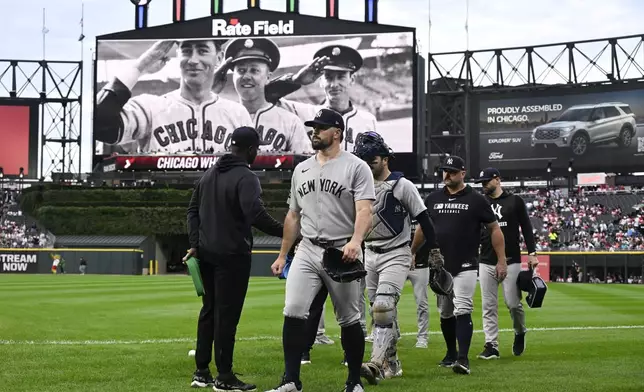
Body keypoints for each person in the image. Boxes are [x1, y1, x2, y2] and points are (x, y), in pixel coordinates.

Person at [267, 108, 375, 392]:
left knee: (349, 318)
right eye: (313, 127)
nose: (314, 131)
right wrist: (282, 254)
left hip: (343, 249)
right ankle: (291, 380)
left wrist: (355, 240)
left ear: (337, 132)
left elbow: (365, 209)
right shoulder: (301, 169)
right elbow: (292, 216)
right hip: (308, 249)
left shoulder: (356, 167)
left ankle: (353, 382)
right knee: (293, 310)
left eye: (321, 127)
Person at [186, 126, 284, 391]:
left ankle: (202, 372)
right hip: (233, 257)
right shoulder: (246, 177)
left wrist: (195, 244)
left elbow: (192, 211)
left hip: (206, 254)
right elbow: (257, 215)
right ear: (251, 149)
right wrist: (288, 232)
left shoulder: (208, 175)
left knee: (209, 312)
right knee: (227, 318)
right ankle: (225, 377)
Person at [352, 132, 442, 385]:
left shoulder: (403, 186)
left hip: (396, 252)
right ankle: (393, 363)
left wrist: (433, 251)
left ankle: (376, 363)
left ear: (385, 158)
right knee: (379, 312)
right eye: (363, 158)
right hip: (369, 253)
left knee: (382, 308)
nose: (367, 162)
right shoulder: (360, 187)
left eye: (372, 157)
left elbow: (424, 219)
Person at [410, 155, 507, 375]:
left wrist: (501, 259)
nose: (447, 174)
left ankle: (463, 359)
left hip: (466, 263)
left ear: (463, 173)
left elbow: (495, 229)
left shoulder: (477, 200)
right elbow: (422, 229)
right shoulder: (433, 198)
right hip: (440, 265)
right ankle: (451, 353)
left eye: (452, 171)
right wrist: (412, 252)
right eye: (445, 170)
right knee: (445, 312)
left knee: (463, 307)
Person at [94, 39, 253, 154]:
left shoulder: (237, 113)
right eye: (186, 51)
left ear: (218, 58)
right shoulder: (150, 108)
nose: (193, 60)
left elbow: (251, 167)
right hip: (166, 197)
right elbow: (99, 126)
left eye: (203, 50)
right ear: (178, 56)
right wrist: (141, 65)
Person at [474, 167, 539, 359]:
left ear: (497, 179)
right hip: (486, 259)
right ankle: (491, 345)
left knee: (513, 304)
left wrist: (532, 253)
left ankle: (520, 332)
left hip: (511, 259)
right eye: (481, 183)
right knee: (488, 305)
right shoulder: (480, 202)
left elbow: (527, 227)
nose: (484, 185)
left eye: (487, 181)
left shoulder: (515, 201)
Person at [266, 45, 377, 151]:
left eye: (341, 77)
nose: (334, 84)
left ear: (352, 79)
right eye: (328, 77)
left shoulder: (368, 120)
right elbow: (265, 97)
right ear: (320, 81)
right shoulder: (303, 113)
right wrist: (295, 80)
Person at [225, 38, 312, 153]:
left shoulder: (290, 121)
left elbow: (305, 167)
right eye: (241, 70)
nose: (246, 76)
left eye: (254, 70)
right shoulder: (222, 116)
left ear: (268, 77)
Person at [406, 222, 430, 349]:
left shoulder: (423, 211)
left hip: (421, 264)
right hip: (400, 262)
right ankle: (394, 333)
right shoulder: (400, 211)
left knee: (422, 303)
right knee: (390, 301)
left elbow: (429, 235)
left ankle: (422, 337)